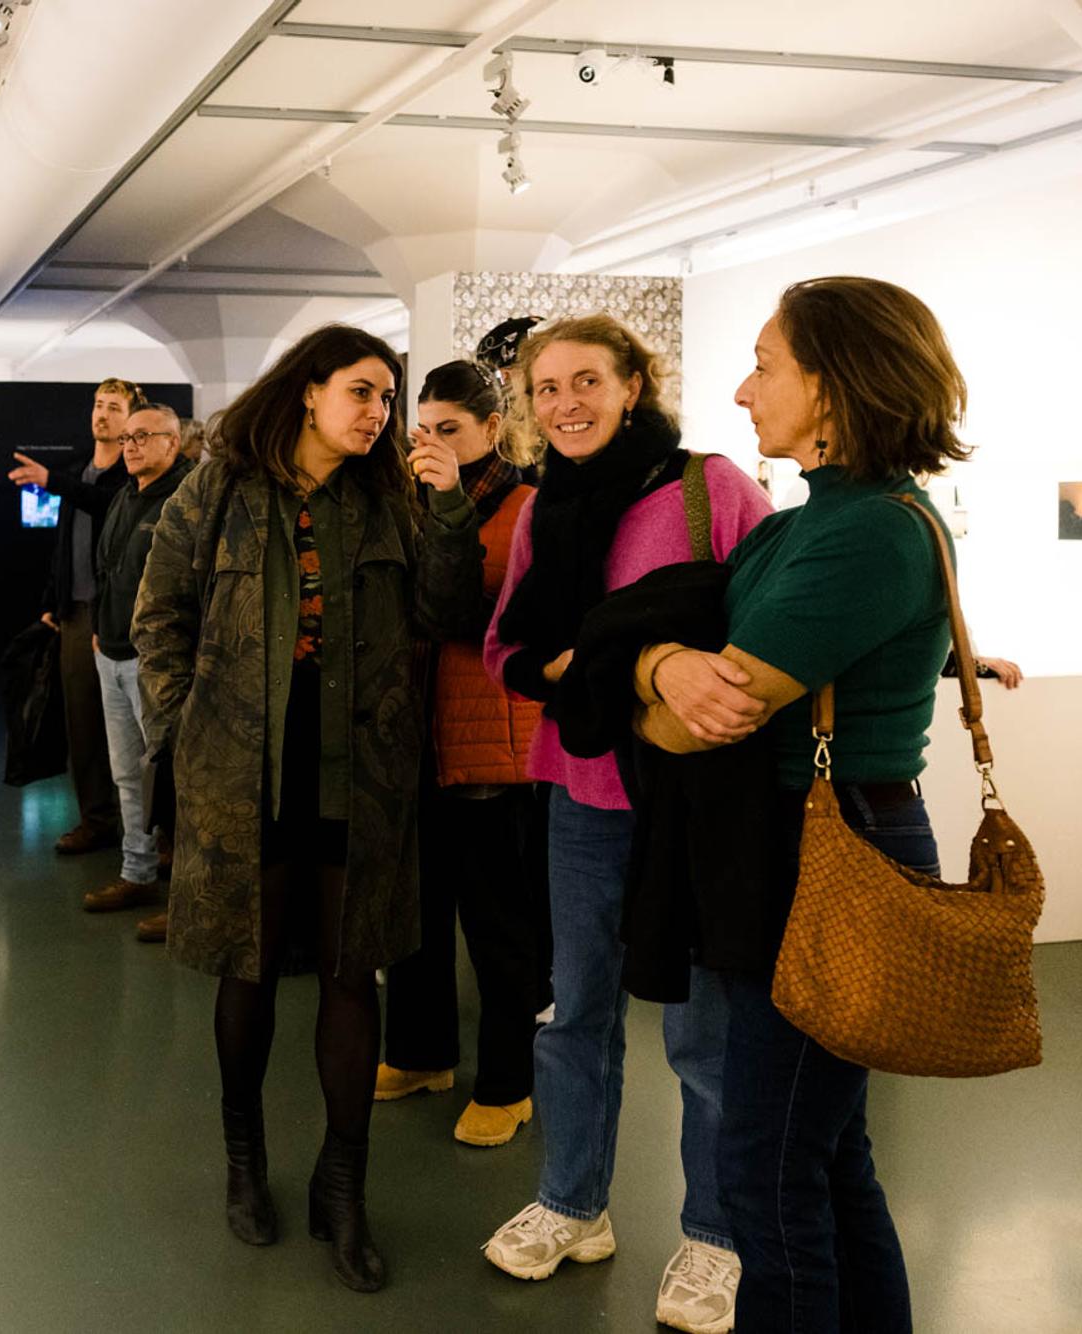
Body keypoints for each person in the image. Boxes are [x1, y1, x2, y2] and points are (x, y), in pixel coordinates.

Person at [630, 276, 974, 1332]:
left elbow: (694, 723)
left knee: (765, 1170)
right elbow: (671, 678)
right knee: (820, 1154)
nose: (741, 390)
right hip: (790, 848)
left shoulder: (865, 531)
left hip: (828, 852)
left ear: (831, 388)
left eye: (765, 364)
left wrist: (641, 681)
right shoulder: (813, 521)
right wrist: (656, 662)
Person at [132, 324, 482, 1293]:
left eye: (386, 397)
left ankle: (344, 1182)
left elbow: (449, 613)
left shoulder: (395, 501)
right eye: (362, 392)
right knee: (245, 966)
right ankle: (244, 1157)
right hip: (240, 774)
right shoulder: (219, 489)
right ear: (307, 391)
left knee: (347, 971)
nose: (377, 413)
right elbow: (156, 614)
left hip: (358, 776)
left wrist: (450, 505)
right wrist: (181, 722)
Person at [480, 314, 770, 1334]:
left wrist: (606, 656)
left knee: (705, 1028)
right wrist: (573, 665)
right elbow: (504, 643)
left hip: (695, 800)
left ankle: (716, 1233)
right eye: (545, 386)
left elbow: (767, 623)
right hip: (578, 789)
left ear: (634, 383)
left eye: (587, 380)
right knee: (573, 1013)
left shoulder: (711, 487)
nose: (565, 402)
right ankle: (570, 1202)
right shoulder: (539, 510)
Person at [373, 359, 550, 1149]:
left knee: (499, 927)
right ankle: (420, 1053)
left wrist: (443, 506)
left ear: (492, 428)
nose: (435, 444)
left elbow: (489, 616)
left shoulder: (526, 506)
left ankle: (510, 1082)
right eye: (426, 429)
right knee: (414, 913)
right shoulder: (407, 503)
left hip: (491, 743)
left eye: (452, 430)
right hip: (414, 740)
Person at [7, 379, 141, 854]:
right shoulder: (80, 472)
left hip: (119, 617)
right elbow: (64, 543)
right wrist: (51, 600)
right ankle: (97, 820)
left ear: (131, 419)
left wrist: (55, 483)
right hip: (75, 614)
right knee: (81, 724)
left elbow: (107, 506)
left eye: (114, 407)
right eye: (98, 406)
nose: (102, 415)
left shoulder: (129, 477)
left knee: (129, 728)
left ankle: (145, 830)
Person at [82, 403, 193, 935]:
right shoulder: (125, 496)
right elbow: (110, 572)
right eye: (127, 437)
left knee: (173, 782)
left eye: (142, 436)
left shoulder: (188, 498)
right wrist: (103, 632)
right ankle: (137, 872)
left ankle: (189, 898)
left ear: (173, 443)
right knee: (128, 775)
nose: (130, 446)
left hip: (160, 664)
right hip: (114, 655)